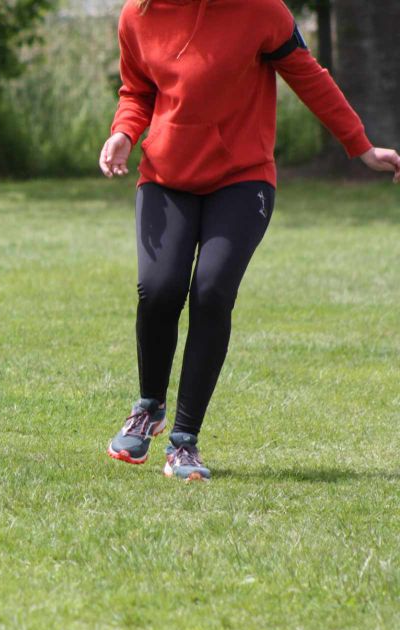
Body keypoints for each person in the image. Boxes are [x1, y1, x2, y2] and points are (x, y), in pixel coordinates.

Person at [99, 0, 400, 481]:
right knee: (159, 289)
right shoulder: (138, 13)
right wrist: (123, 133)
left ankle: (183, 442)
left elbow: (309, 76)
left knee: (212, 291)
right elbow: (137, 92)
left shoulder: (260, 9)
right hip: (166, 177)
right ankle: (148, 406)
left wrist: (359, 146)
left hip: (242, 179)